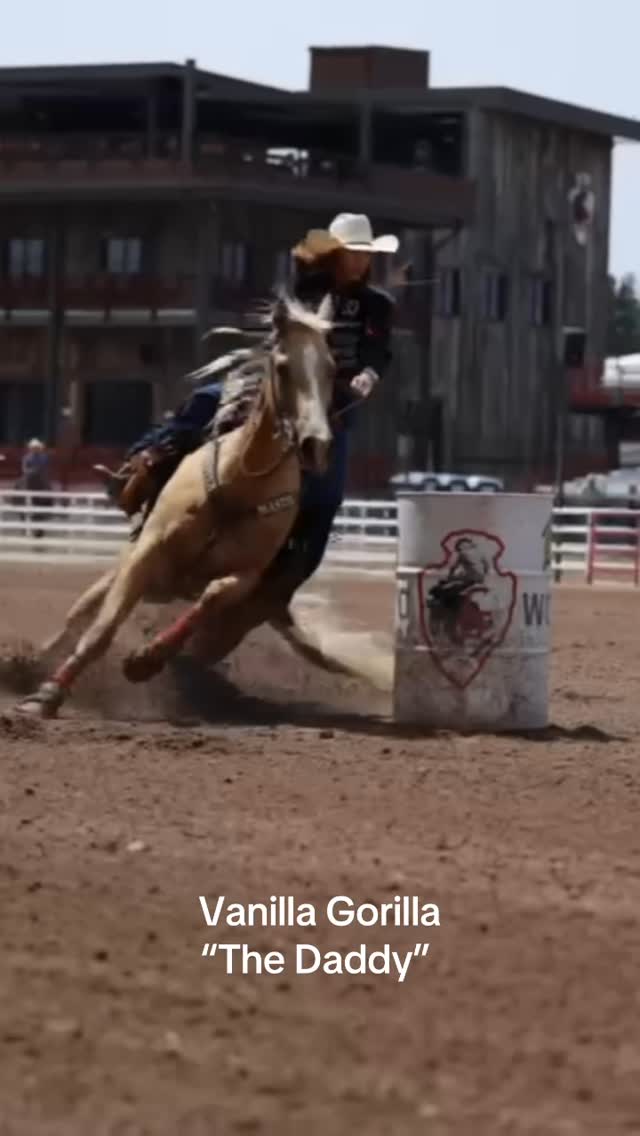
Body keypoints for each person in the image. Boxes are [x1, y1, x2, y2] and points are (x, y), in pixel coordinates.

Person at [96, 211, 397, 591]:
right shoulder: (302, 289)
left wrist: (368, 374)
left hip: (333, 401)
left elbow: (378, 349)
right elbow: (280, 336)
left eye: (365, 253)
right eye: (352, 252)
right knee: (203, 402)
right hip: (280, 382)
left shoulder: (377, 305)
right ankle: (140, 466)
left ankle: (290, 570)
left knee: (327, 493)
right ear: (334, 255)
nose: (360, 260)